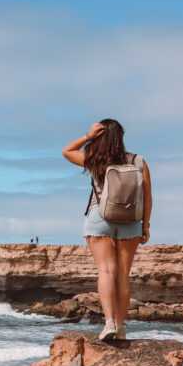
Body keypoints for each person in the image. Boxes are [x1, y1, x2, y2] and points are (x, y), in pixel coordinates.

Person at [62, 119, 152, 341]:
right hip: (130, 220)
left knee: (106, 271)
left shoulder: (94, 159)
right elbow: (148, 197)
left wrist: (88, 136)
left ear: (100, 136)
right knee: (122, 275)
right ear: (121, 137)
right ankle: (120, 327)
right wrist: (146, 225)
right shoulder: (138, 161)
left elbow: (67, 151)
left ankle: (109, 322)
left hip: (99, 217)